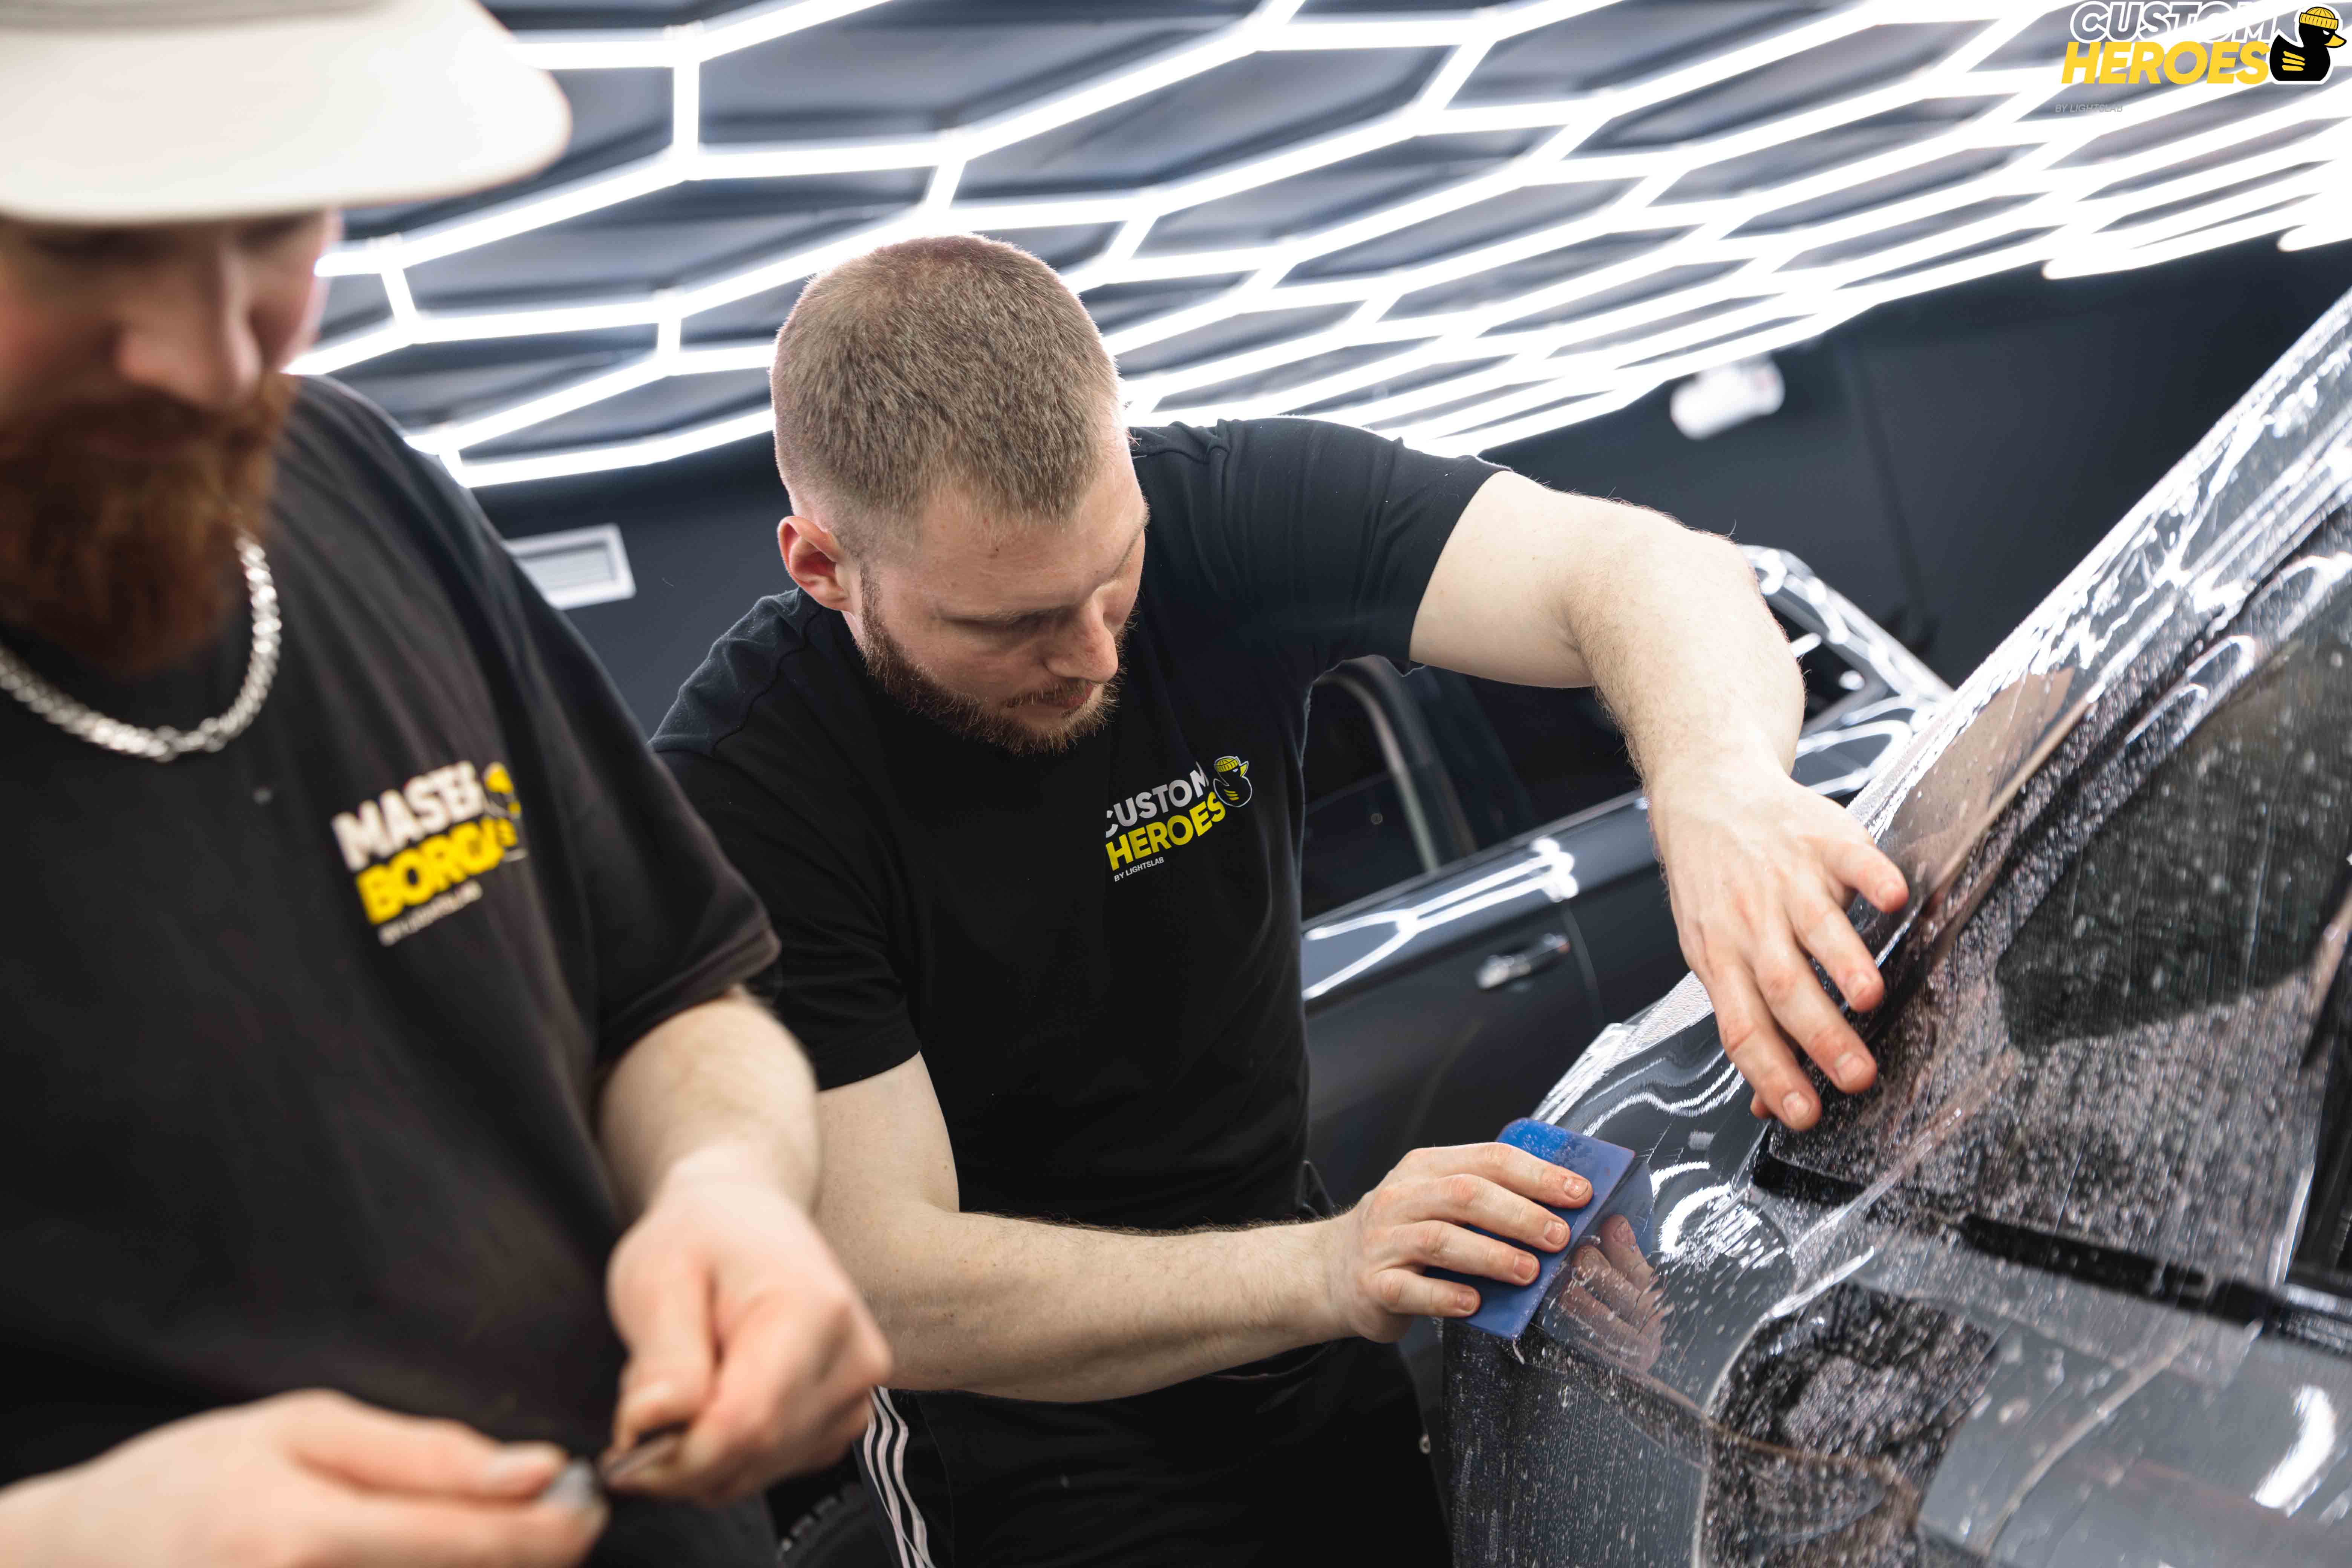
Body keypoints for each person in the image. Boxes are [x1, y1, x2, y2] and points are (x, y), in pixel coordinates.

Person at [655, 236, 1909, 1563]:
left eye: (1115, 572)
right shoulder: (749, 794)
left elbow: (1642, 567)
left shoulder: (1222, 511)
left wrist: (1714, 782)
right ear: (823, 567)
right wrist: (1324, 1267)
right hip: (1031, 1451)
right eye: (1012, 624)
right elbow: (892, 1279)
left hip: (1309, 1353)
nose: (1095, 656)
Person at [0, 3, 888, 1564]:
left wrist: (726, 1192)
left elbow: (674, 996)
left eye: (274, 226)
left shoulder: (356, 478)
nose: (216, 360)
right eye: (85, 247)